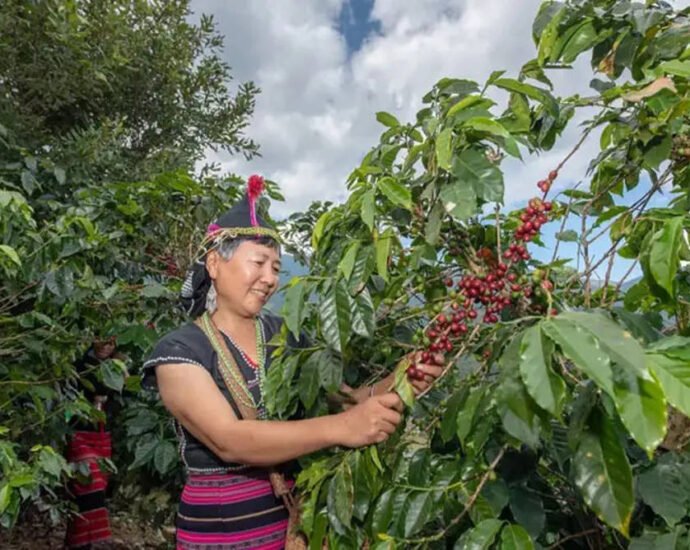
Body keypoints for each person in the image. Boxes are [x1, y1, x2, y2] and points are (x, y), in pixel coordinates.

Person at [142, 175, 442, 549]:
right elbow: (229, 440)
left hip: (293, 528)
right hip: (222, 534)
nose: (270, 279)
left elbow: (348, 401)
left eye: (276, 268)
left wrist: (406, 377)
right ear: (215, 263)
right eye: (259, 262)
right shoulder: (179, 350)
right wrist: (342, 427)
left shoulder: (287, 336)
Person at [65, 336, 120, 549]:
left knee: (94, 489)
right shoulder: (79, 365)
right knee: (90, 483)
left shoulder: (118, 367)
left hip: (101, 436)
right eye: (102, 342)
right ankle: (87, 541)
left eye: (112, 344)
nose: (106, 347)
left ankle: (76, 542)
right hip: (79, 432)